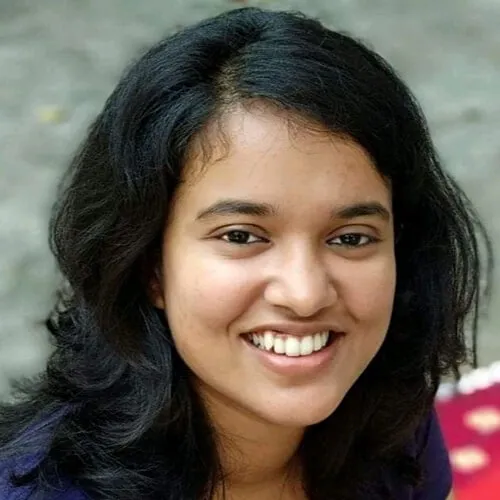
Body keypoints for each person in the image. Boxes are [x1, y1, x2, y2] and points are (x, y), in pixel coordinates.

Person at [0, 6, 492, 500]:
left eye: (351, 238)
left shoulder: (387, 416)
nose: (304, 295)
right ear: (149, 265)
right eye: (241, 236)